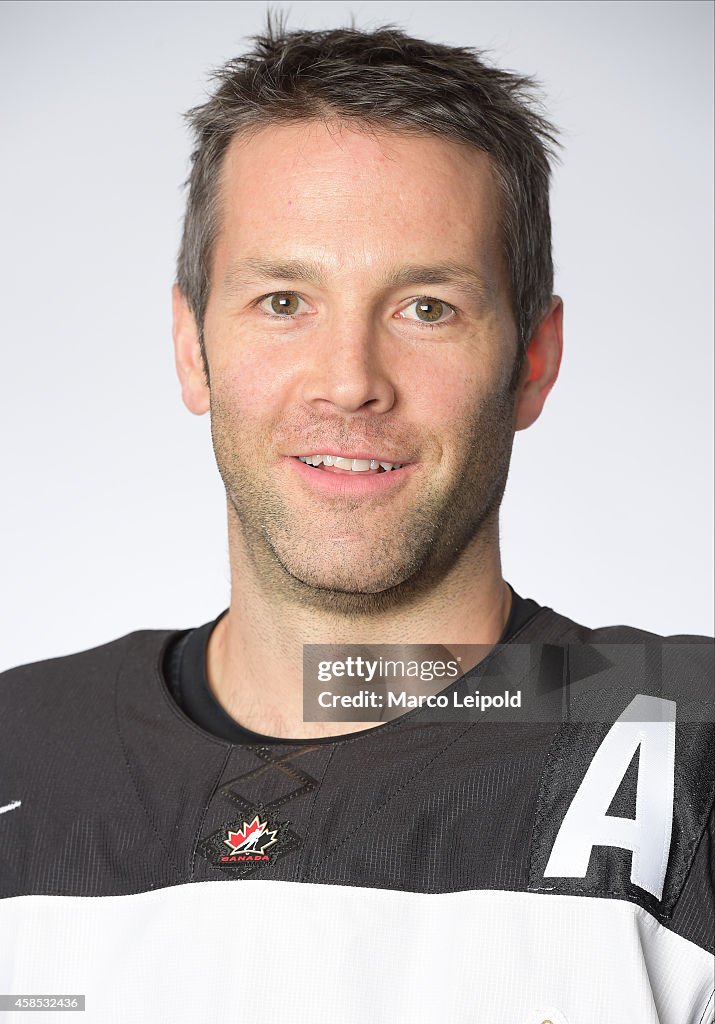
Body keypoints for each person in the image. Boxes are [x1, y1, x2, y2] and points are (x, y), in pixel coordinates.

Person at [1, 15, 712, 1024]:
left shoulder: (690, 744)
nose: (350, 382)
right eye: (284, 300)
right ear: (191, 346)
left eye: (426, 307)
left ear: (533, 358)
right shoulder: (15, 753)